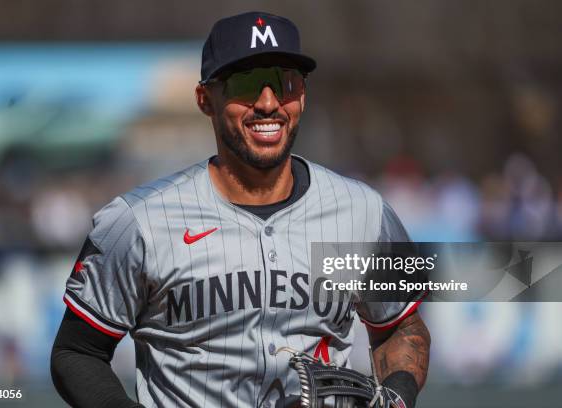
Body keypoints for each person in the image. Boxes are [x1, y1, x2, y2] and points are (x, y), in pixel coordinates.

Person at [50, 11, 430, 408]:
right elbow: (76, 353)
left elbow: (399, 325)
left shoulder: (363, 212)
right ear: (205, 100)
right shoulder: (139, 221)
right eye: (247, 84)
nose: (268, 103)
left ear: (302, 94)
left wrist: (398, 399)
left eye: (286, 82)